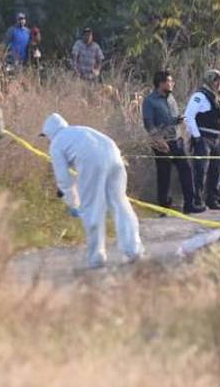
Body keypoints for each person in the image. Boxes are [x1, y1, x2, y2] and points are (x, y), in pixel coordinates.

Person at [41, 113, 143, 268]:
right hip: (114, 156)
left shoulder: (56, 143)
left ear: (49, 132)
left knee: (92, 209)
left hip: (92, 162)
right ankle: (134, 249)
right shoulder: (79, 130)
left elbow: (64, 179)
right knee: (121, 204)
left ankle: (96, 257)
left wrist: (73, 203)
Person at [143, 70, 201, 214]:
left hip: (177, 141)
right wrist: (158, 140)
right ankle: (164, 208)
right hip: (161, 144)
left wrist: (178, 120)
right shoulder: (149, 101)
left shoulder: (171, 98)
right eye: (170, 81)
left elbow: (171, 119)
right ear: (161, 83)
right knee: (164, 176)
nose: (172, 84)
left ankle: (190, 204)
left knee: (187, 171)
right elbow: (148, 123)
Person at [183, 68, 220, 209]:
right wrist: (197, 137)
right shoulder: (200, 96)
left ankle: (212, 200)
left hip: (218, 138)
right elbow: (188, 116)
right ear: (209, 80)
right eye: (216, 80)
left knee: (216, 170)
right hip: (204, 137)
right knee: (200, 171)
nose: (219, 83)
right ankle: (197, 201)